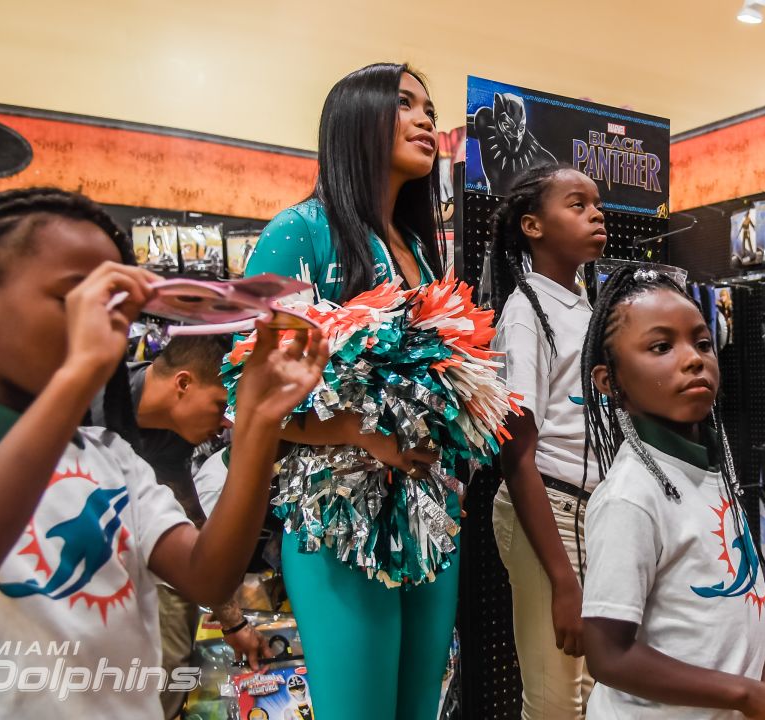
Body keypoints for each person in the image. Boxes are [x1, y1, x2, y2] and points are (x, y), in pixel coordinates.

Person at [0, 187, 326, 718]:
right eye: (73, 298)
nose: (104, 324)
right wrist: (78, 375)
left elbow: (207, 575)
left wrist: (260, 421)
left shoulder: (111, 456)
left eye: (117, 307)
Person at [242, 63, 453, 720]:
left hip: (429, 517)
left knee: (420, 708)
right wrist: (359, 433)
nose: (427, 119)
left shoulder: (419, 246)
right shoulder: (298, 232)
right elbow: (247, 400)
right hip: (338, 523)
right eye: (404, 104)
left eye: (429, 107)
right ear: (356, 119)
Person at [578, 268, 765, 719]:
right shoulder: (631, 497)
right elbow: (609, 656)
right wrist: (746, 694)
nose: (693, 359)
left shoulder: (711, 470)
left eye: (702, 343)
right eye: (661, 347)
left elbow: (729, 600)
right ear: (609, 381)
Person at [90, 334, 264, 718]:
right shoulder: (89, 403)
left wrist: (233, 622)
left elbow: (190, 524)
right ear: (183, 383)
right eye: (221, 406)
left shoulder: (172, 439)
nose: (223, 425)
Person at [490, 165, 608, 719]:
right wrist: (563, 580)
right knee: (556, 699)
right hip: (549, 512)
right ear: (533, 225)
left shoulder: (586, 310)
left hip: (594, 512)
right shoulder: (525, 313)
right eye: (577, 204)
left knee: (589, 692)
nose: (595, 213)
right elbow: (515, 452)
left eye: (596, 204)